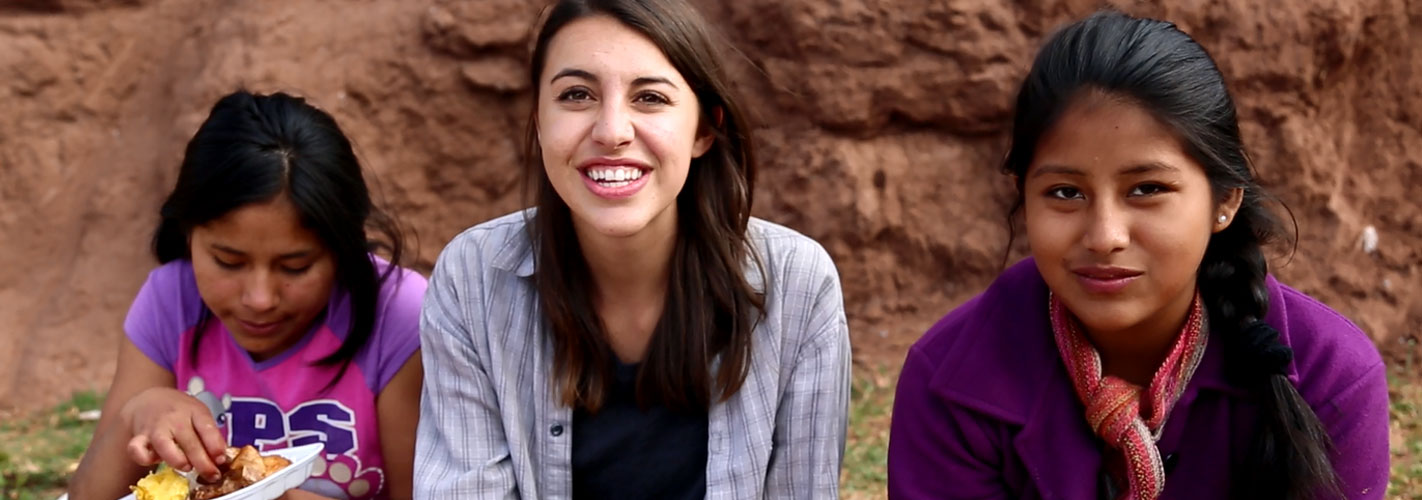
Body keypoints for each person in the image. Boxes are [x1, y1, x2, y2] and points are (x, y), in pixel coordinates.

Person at [887, 10, 1389, 500]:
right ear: (1024, 196)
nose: (1105, 236)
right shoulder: (951, 379)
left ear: (1225, 201)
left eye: (1147, 188)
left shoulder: (1328, 375)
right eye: (1065, 193)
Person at [412, 0, 851, 498]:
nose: (612, 131)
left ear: (704, 129)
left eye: (650, 98)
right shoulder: (473, 277)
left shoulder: (796, 283)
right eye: (577, 95)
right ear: (538, 120)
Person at [68, 90, 425, 500]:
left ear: (343, 249)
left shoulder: (397, 315)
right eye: (228, 261)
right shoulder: (172, 300)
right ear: (188, 235)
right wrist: (139, 413)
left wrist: (272, 494)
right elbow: (86, 495)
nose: (260, 298)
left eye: (295, 267)